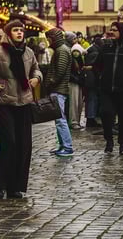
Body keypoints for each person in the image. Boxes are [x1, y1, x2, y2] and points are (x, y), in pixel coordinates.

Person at [0, 20, 42, 200]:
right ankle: (0, 185)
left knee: (23, 145)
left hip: (24, 102)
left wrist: (36, 78)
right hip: (4, 102)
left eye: (21, 30)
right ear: (8, 33)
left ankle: (15, 187)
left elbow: (36, 69)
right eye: (15, 30)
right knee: (9, 143)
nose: (19, 33)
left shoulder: (28, 52)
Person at [94, 21, 123, 154]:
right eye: (111, 30)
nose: (111, 32)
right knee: (106, 114)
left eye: (115, 30)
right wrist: (101, 77)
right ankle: (109, 141)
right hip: (107, 89)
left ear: (122, 32)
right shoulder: (106, 48)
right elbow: (97, 65)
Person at [44, 27, 73, 156]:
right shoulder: (61, 49)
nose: (48, 41)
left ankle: (67, 147)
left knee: (60, 119)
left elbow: (60, 71)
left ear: (53, 38)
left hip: (58, 89)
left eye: (49, 39)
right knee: (59, 119)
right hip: (58, 89)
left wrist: (50, 82)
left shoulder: (61, 50)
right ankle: (63, 146)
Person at [67, 31, 86, 130]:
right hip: (73, 83)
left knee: (78, 103)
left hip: (78, 83)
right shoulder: (71, 58)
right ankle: (74, 122)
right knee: (74, 103)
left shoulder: (79, 59)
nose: (76, 53)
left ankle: (76, 121)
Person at [83, 36, 101, 128]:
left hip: (88, 80)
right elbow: (96, 68)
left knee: (90, 99)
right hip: (92, 81)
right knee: (92, 99)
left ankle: (90, 118)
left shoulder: (90, 51)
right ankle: (91, 119)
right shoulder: (95, 53)